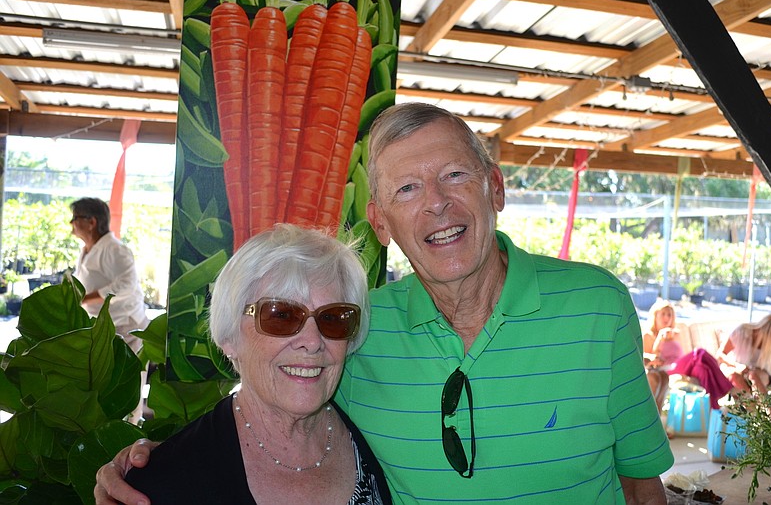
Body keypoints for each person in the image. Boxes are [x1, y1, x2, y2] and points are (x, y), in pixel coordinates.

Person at [96, 102, 672, 504]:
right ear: (381, 222)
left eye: (454, 175)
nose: (437, 205)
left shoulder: (599, 306)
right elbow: (273, 390)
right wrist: (153, 463)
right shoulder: (358, 331)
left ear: (495, 187)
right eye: (407, 189)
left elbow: (642, 488)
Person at [126, 224, 391, 504]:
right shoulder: (163, 482)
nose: (312, 341)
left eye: (333, 318)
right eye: (282, 316)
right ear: (229, 337)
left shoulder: (376, 435)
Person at [70, 197, 147, 353]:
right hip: (104, 324)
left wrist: (85, 298)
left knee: (126, 375)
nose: (71, 223)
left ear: (91, 222)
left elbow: (126, 285)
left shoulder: (116, 250)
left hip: (125, 324)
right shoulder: (86, 249)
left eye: (75, 218)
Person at [716, 312, 771, 395]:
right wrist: (737, 366)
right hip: (739, 372)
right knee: (735, 376)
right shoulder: (741, 332)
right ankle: (756, 403)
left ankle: (752, 402)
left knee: (753, 375)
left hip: (762, 376)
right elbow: (720, 355)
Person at [643, 300, 684, 411]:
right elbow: (649, 359)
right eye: (663, 314)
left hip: (679, 366)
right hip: (662, 369)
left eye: (669, 314)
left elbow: (683, 354)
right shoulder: (648, 335)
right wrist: (660, 337)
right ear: (655, 316)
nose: (666, 318)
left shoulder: (675, 334)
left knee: (699, 356)